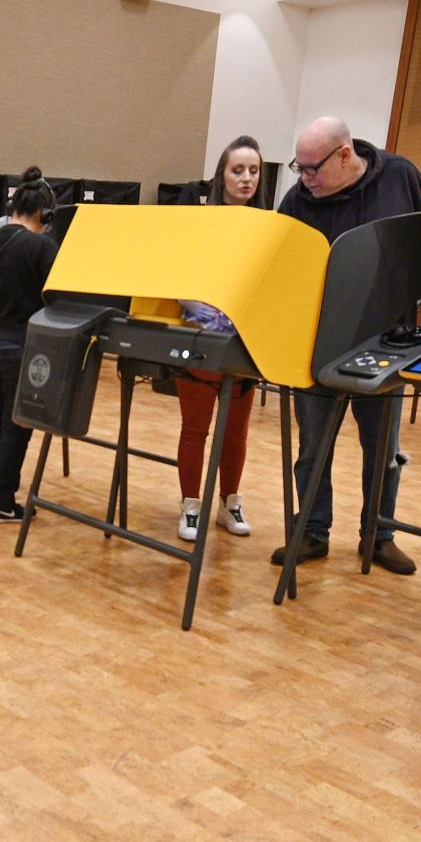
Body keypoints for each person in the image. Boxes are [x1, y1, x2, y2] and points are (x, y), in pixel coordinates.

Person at [271, 116, 421, 575]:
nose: (305, 179)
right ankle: (311, 531)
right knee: (312, 447)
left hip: (387, 341)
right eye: (298, 169)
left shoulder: (402, 178)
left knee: (383, 449)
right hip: (320, 343)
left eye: (313, 169)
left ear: (345, 155)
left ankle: (378, 536)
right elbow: (277, 265)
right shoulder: (298, 200)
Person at [173, 137, 266, 543]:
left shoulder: (267, 226)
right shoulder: (199, 222)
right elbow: (177, 276)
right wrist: (211, 311)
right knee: (195, 429)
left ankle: (230, 504)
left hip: (245, 345)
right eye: (237, 170)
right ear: (221, 175)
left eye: (254, 171)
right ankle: (191, 506)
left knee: (236, 432)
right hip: (200, 338)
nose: (246, 178)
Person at [0, 171, 61, 523]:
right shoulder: (42, 248)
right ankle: (3, 504)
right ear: (45, 216)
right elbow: (54, 300)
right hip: (17, 348)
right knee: (16, 425)